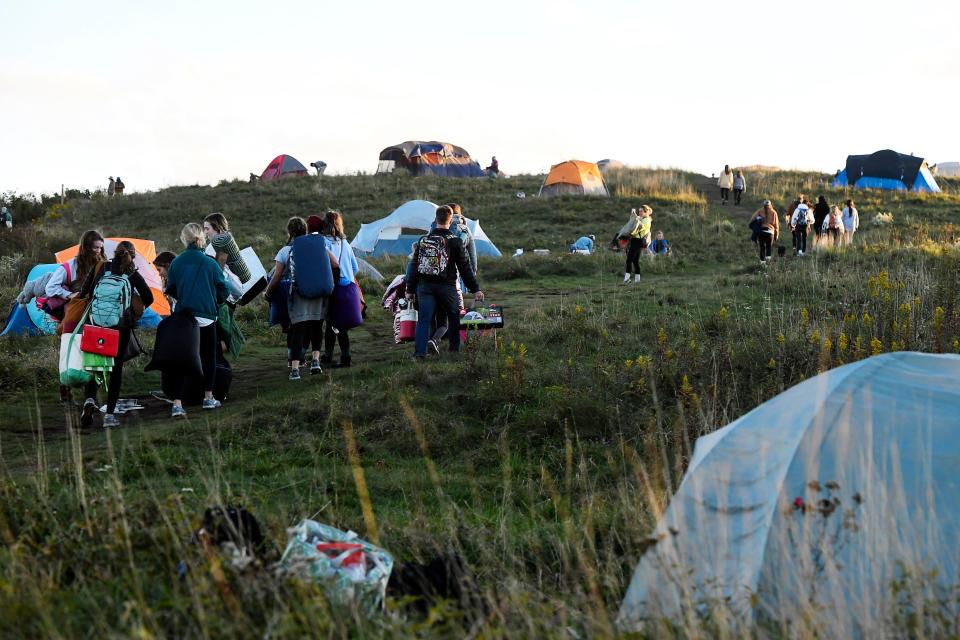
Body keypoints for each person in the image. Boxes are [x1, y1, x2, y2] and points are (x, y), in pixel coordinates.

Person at [76, 240, 154, 428]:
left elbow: (84, 291)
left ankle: (89, 400)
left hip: (96, 324)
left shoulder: (101, 267)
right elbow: (149, 298)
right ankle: (110, 415)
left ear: (114, 252)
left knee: (95, 364)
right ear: (132, 256)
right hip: (121, 327)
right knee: (115, 370)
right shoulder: (132, 274)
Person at [164, 223, 229, 418]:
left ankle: (177, 403)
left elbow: (171, 288)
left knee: (183, 360)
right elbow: (223, 289)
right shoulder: (210, 263)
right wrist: (214, 300)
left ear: (184, 239)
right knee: (209, 357)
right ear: (202, 238)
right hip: (207, 316)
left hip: (185, 317)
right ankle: (208, 397)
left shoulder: (177, 262)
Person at [406, 205, 483, 359]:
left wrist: (410, 289)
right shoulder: (454, 242)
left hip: (425, 286)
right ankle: (454, 351)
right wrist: (475, 289)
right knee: (453, 316)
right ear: (450, 220)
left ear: (436, 220)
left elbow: (414, 266)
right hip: (447, 287)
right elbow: (465, 269)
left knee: (424, 320)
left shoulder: (423, 240)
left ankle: (420, 354)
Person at [322, 210, 360, 368]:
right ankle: (337, 356)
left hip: (333, 288)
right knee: (339, 325)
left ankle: (341, 357)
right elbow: (355, 268)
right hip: (349, 288)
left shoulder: (323, 242)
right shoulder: (346, 244)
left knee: (333, 323)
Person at [45, 230, 106, 319]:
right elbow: (50, 287)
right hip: (75, 310)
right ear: (86, 247)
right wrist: (69, 294)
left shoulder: (103, 264)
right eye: (95, 247)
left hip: (99, 308)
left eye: (100, 248)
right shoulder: (69, 266)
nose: (99, 251)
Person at [202, 213, 244, 303]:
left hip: (222, 293)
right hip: (233, 288)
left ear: (217, 228)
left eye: (207, 229)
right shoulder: (229, 240)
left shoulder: (213, 247)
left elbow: (216, 274)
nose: (205, 232)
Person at [621, 206, 652, 284]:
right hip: (636, 240)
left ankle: (626, 279)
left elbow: (637, 228)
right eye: (639, 211)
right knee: (635, 261)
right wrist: (633, 215)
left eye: (641, 211)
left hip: (637, 241)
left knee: (629, 260)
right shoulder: (643, 219)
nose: (640, 213)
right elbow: (635, 221)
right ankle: (637, 280)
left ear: (646, 212)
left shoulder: (646, 220)